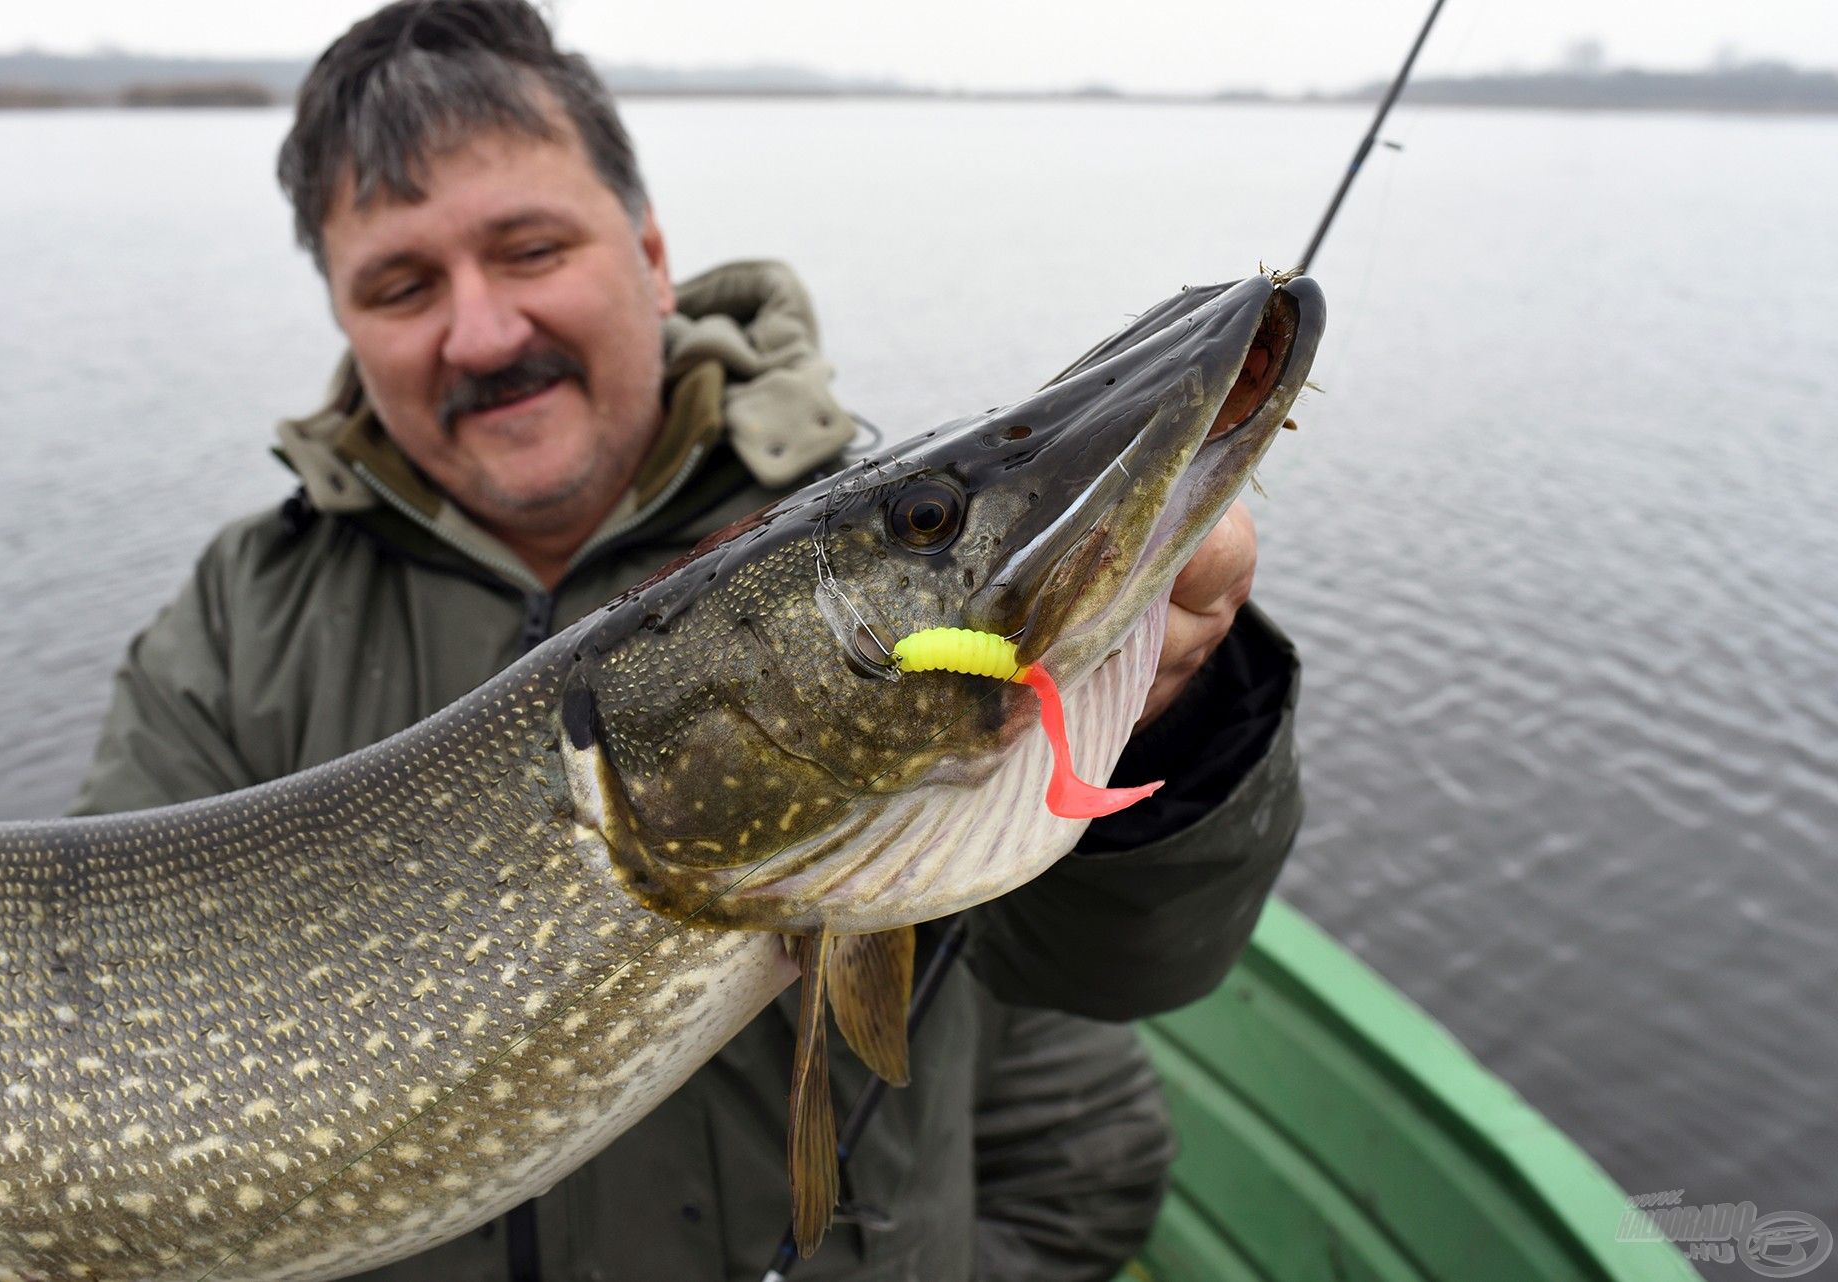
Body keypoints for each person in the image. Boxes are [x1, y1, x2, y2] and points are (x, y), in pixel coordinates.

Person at [71, 2, 1305, 1278]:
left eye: (530, 248)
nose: (483, 331)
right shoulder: (237, 624)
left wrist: (1177, 706)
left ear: (653, 256)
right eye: (401, 285)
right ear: (344, 318)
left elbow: (1114, 980)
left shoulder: (832, 559)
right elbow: (86, 1031)